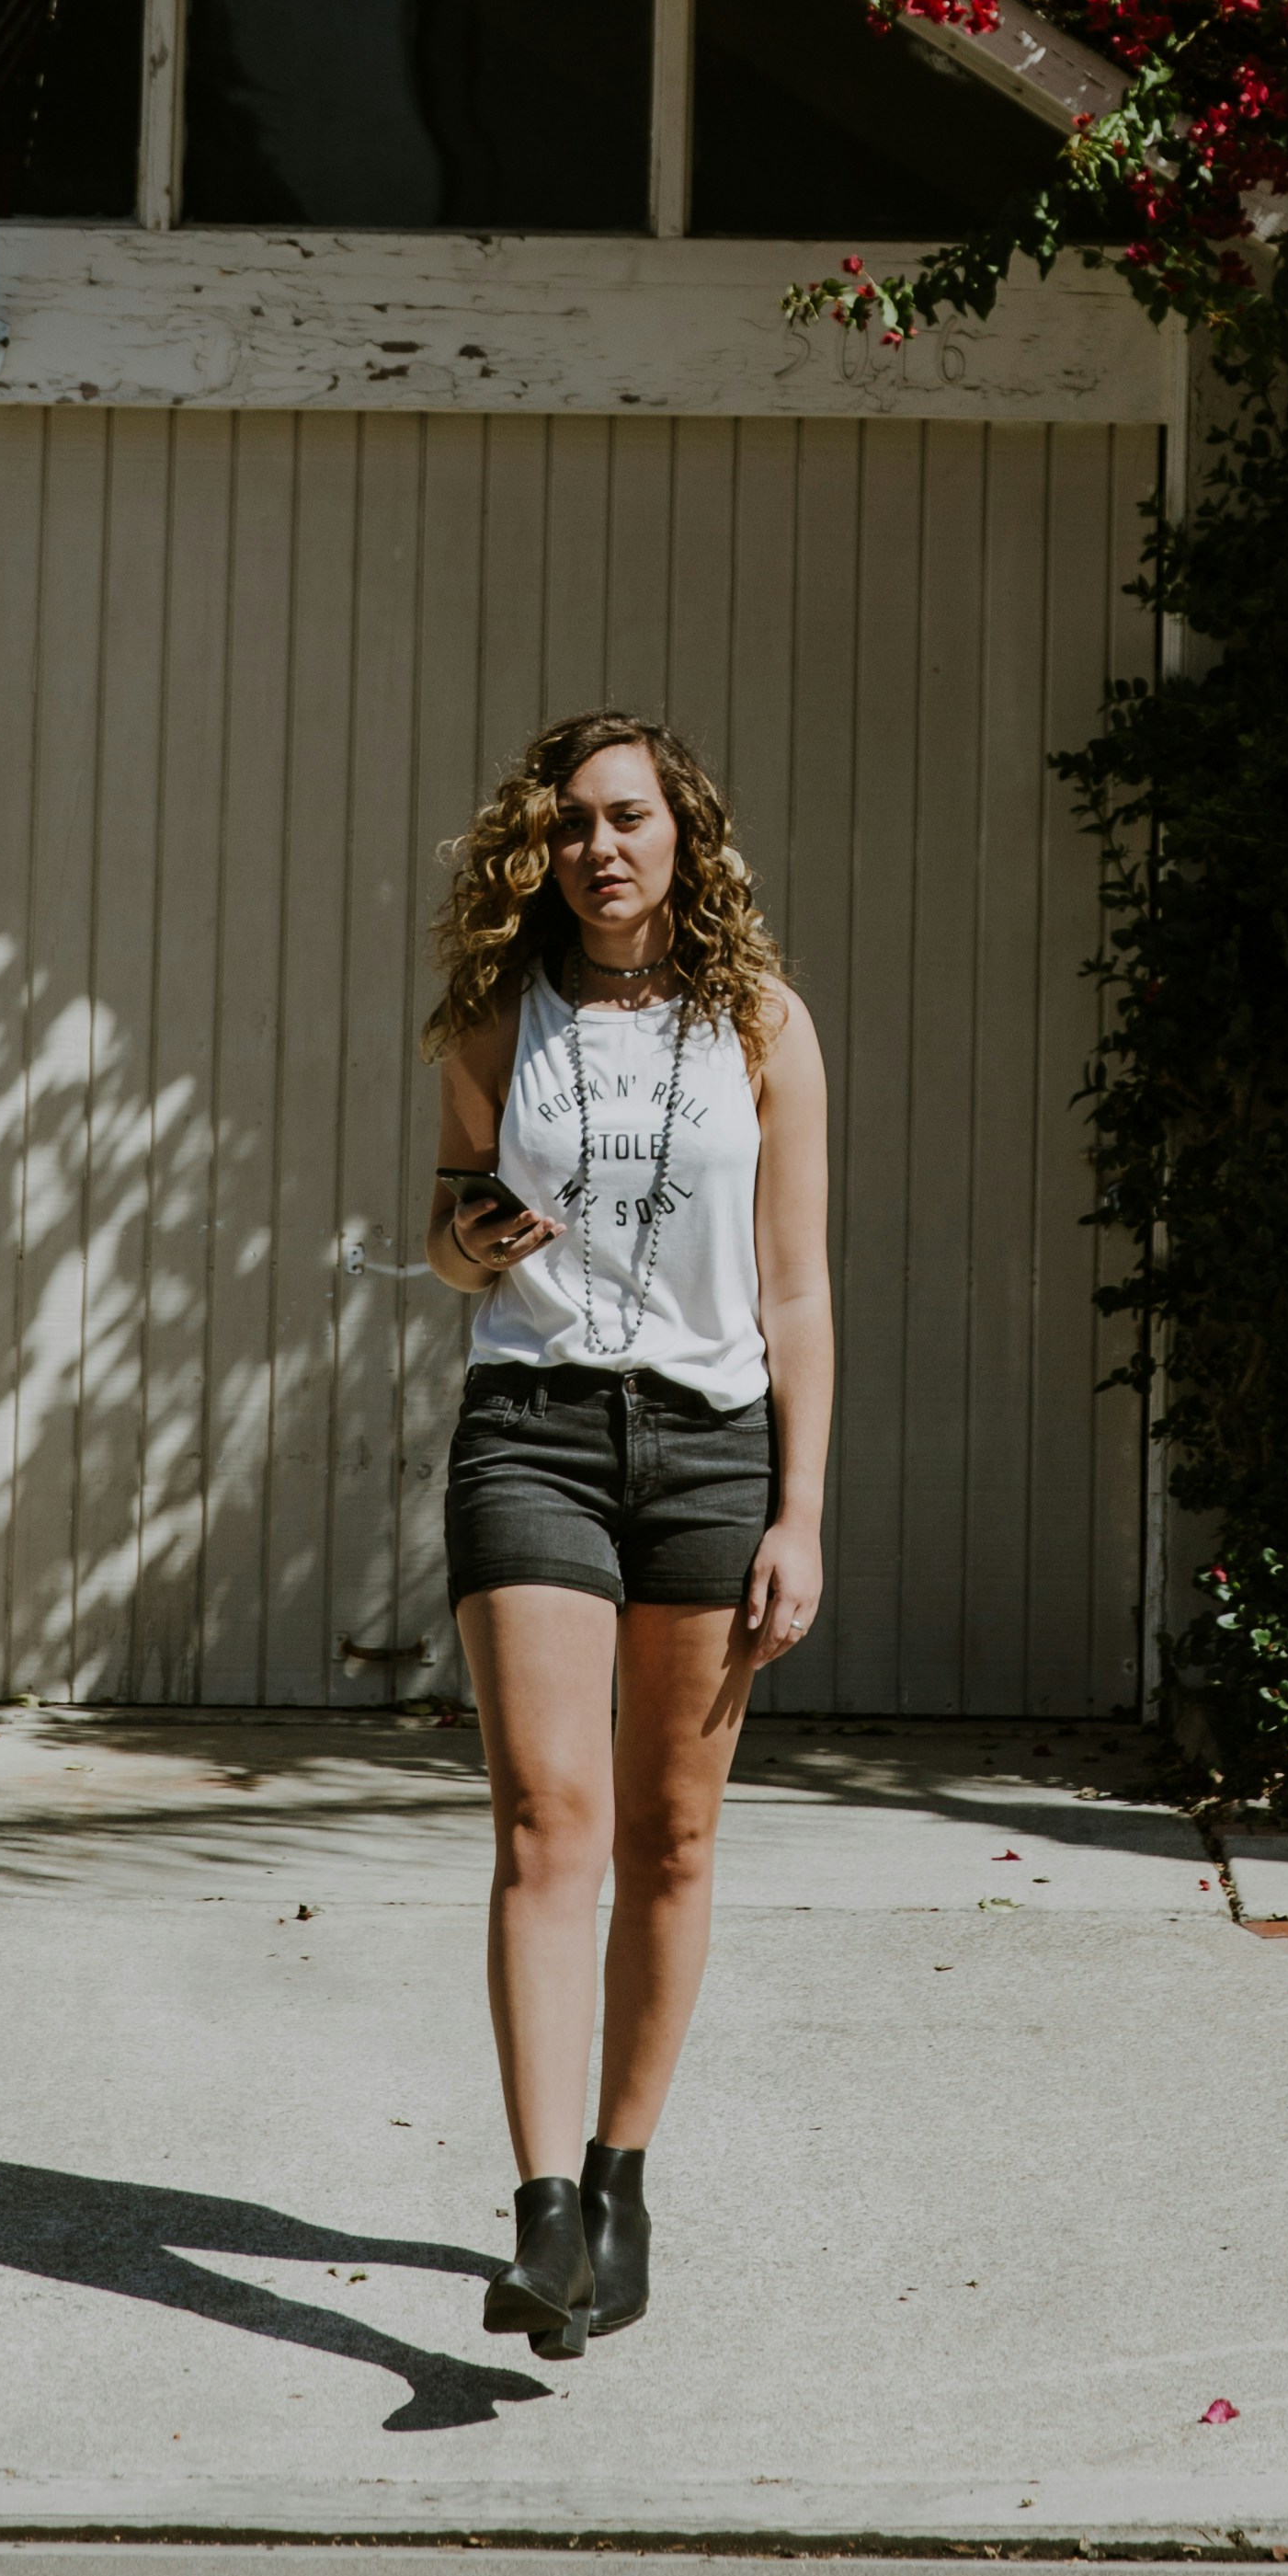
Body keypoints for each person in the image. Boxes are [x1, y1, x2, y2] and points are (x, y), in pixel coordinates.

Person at [422, 711, 831, 2360]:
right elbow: (446, 1236)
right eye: (576, 822)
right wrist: (474, 1241)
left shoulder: (763, 1023)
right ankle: (539, 2215)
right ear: (543, 847)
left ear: (684, 837)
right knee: (549, 1819)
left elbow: (797, 1290)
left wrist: (801, 1510)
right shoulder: (492, 1012)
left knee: (671, 1837)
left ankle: (620, 2183)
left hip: (715, 1451)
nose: (602, 847)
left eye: (631, 818)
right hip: (534, 1432)